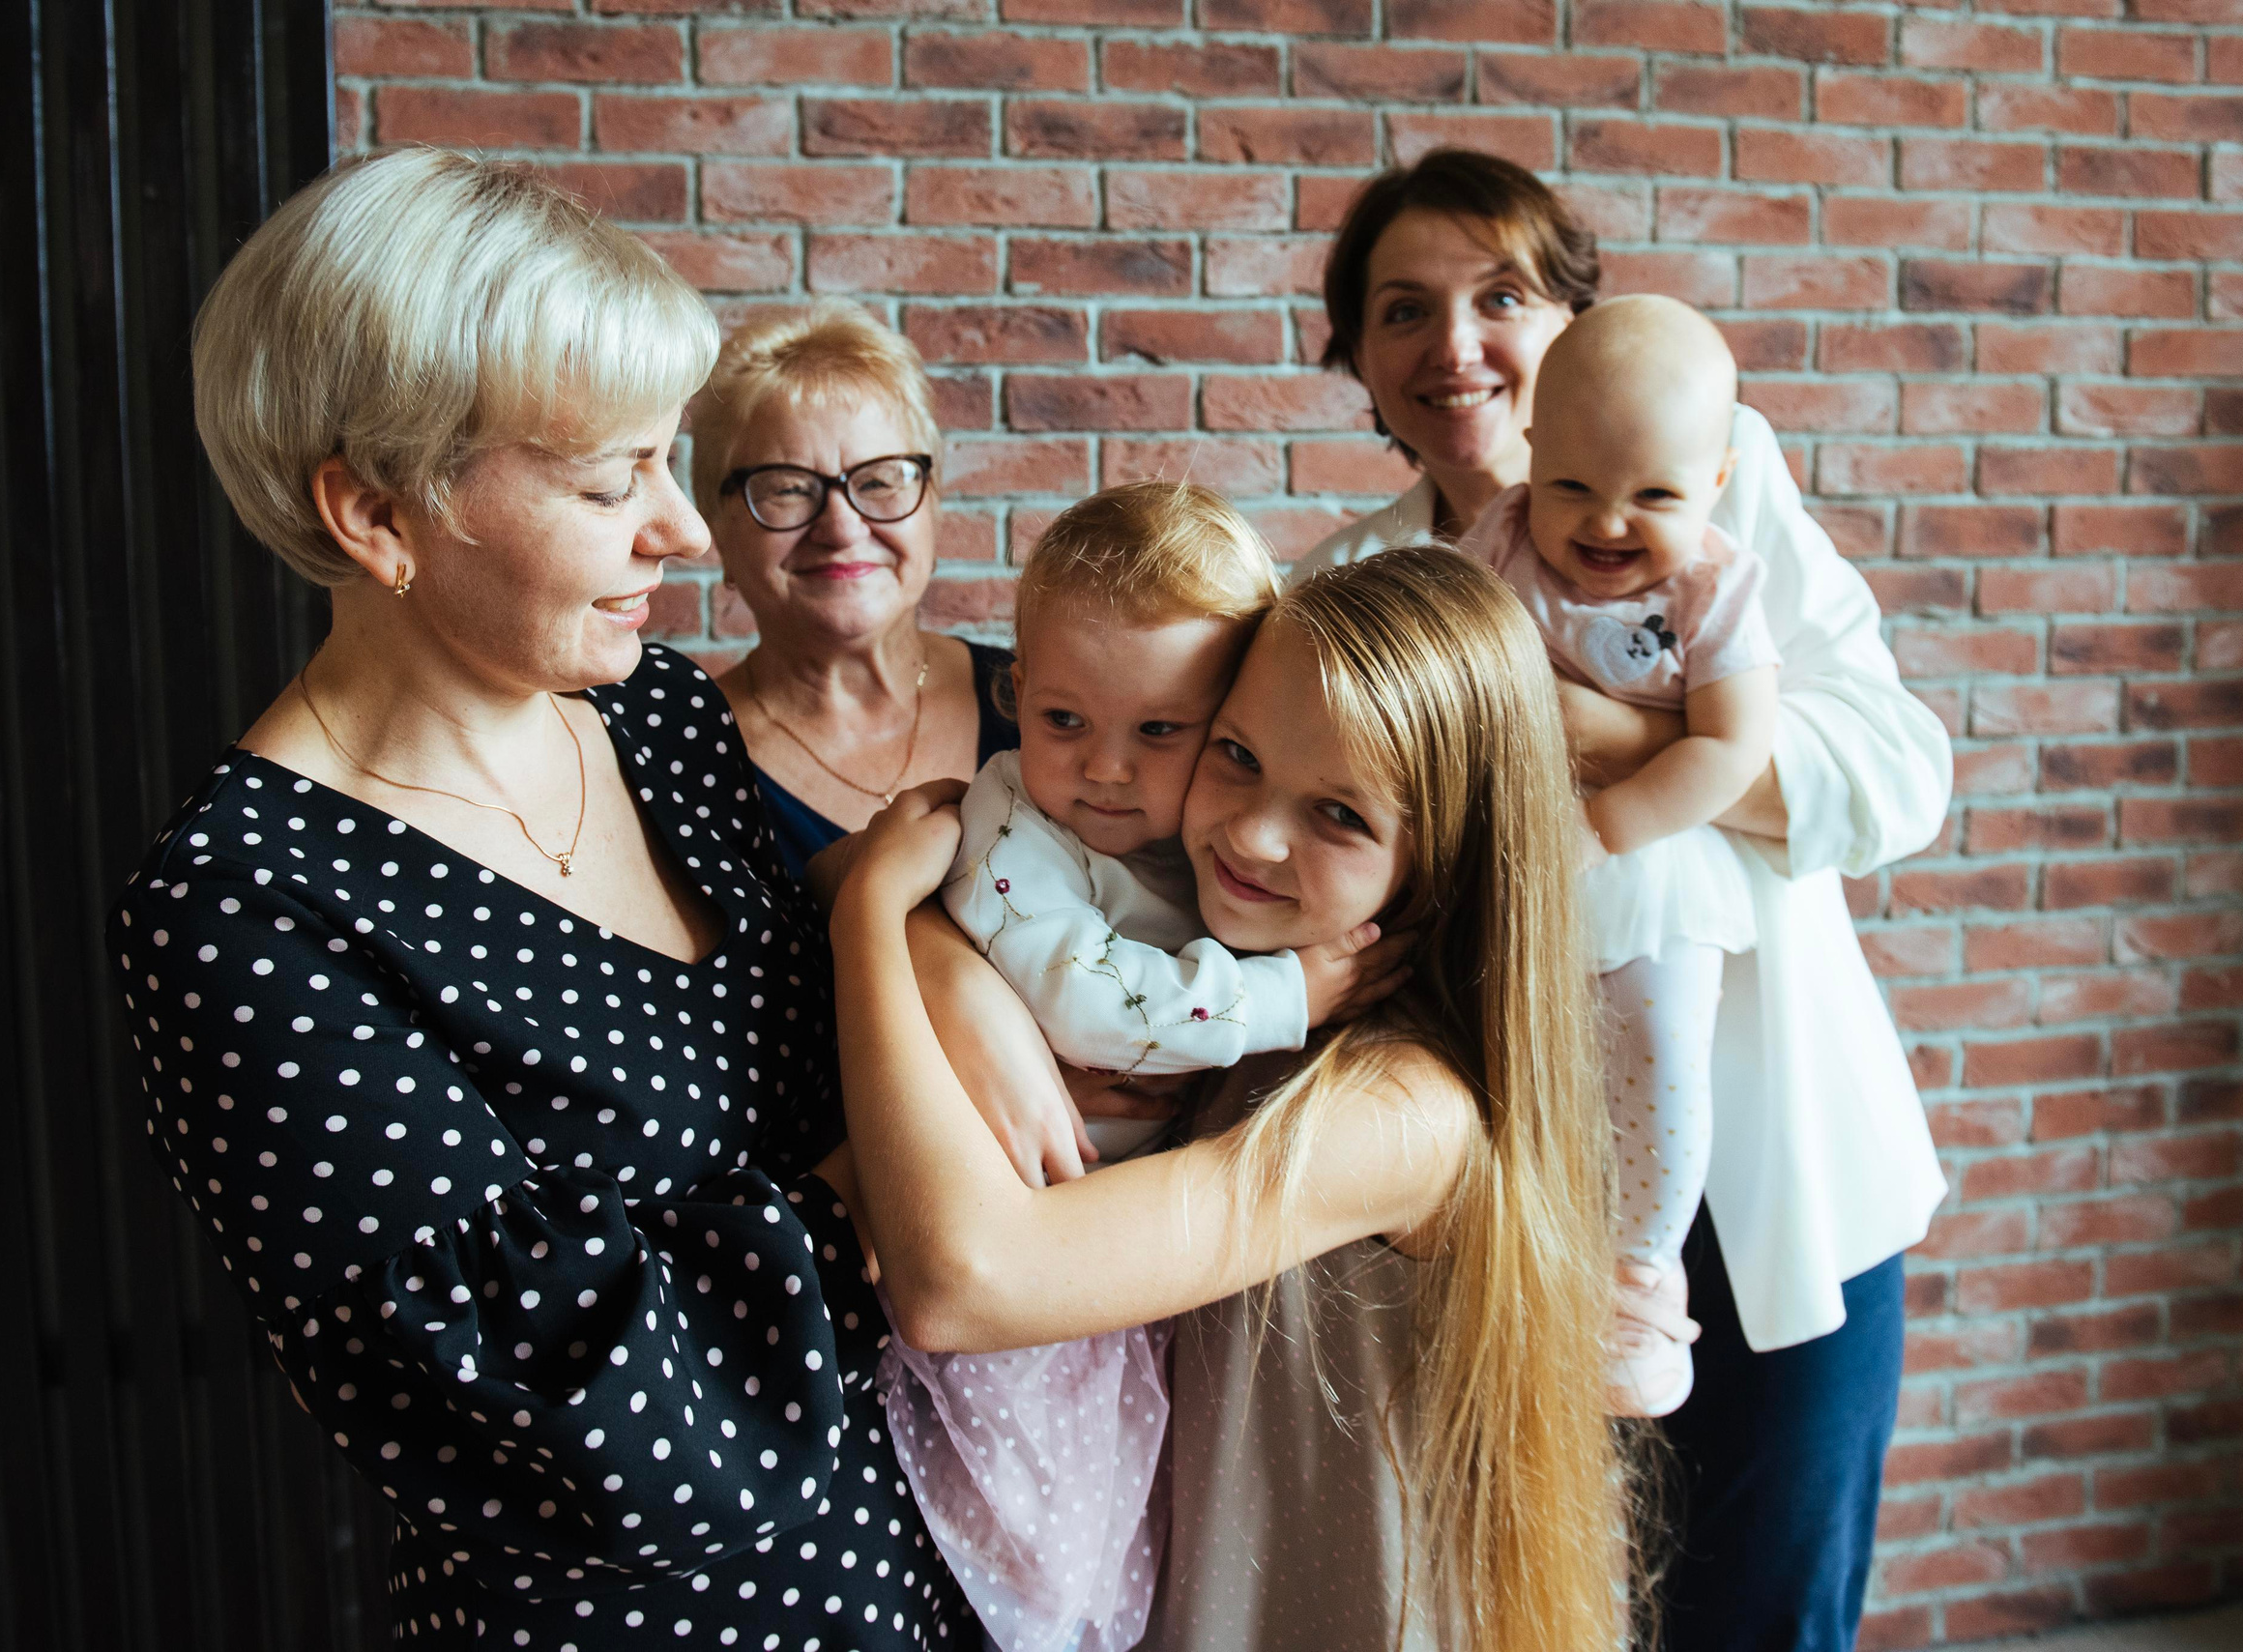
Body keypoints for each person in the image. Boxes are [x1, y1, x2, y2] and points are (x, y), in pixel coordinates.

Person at [112, 146, 969, 1647]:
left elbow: (840, 1045)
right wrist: (911, 1192)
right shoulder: (247, 905)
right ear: (377, 514)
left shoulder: (656, 720)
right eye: (605, 479)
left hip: (896, 1558)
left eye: (666, 457)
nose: (687, 532)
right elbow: (575, 1401)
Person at [1301, 147, 1951, 1652]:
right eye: (1402, 310)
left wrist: (1621, 739)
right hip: (1521, 1193)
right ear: (1359, 362)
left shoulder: (1725, 483)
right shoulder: (1356, 587)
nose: (1453, 345)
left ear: (1574, 329)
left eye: (1499, 296)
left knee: (1770, 1613)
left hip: (1787, 1167)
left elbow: (1898, 775)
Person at [826, 543, 1644, 1652]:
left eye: (1340, 815)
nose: (1252, 834)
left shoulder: (1399, 1108)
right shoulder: (1211, 964)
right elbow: (875, 856)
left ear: (1447, 860)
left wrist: (876, 918)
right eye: (1236, 754)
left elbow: (962, 1281)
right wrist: (949, 963)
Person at [883, 481, 1404, 1652]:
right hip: (1015, 1245)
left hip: (1117, 1269)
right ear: (1015, 694)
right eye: (1065, 720)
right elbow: (1089, 1002)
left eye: (1161, 732)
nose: (1107, 769)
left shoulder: (1200, 846)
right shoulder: (1015, 829)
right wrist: (1293, 991)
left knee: (1120, 1530)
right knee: (1033, 1553)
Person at [1448, 296, 1779, 1416]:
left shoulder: (1712, 588)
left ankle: (1639, 1282)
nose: (1607, 522)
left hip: (1646, 864)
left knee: (1655, 1057)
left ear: (1718, 481)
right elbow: (1451, 672)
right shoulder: (1493, 542)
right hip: (1516, 868)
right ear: (1530, 455)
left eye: (1655, 494)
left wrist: (1609, 823)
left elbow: (1732, 747)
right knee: (1510, 1068)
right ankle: (1524, 1275)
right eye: (1574, 485)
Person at [692, 304, 1013, 884]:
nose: (841, 528)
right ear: (716, 526)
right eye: (788, 489)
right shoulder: (677, 768)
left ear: (934, 504)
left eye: (878, 481)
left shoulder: (1037, 707)